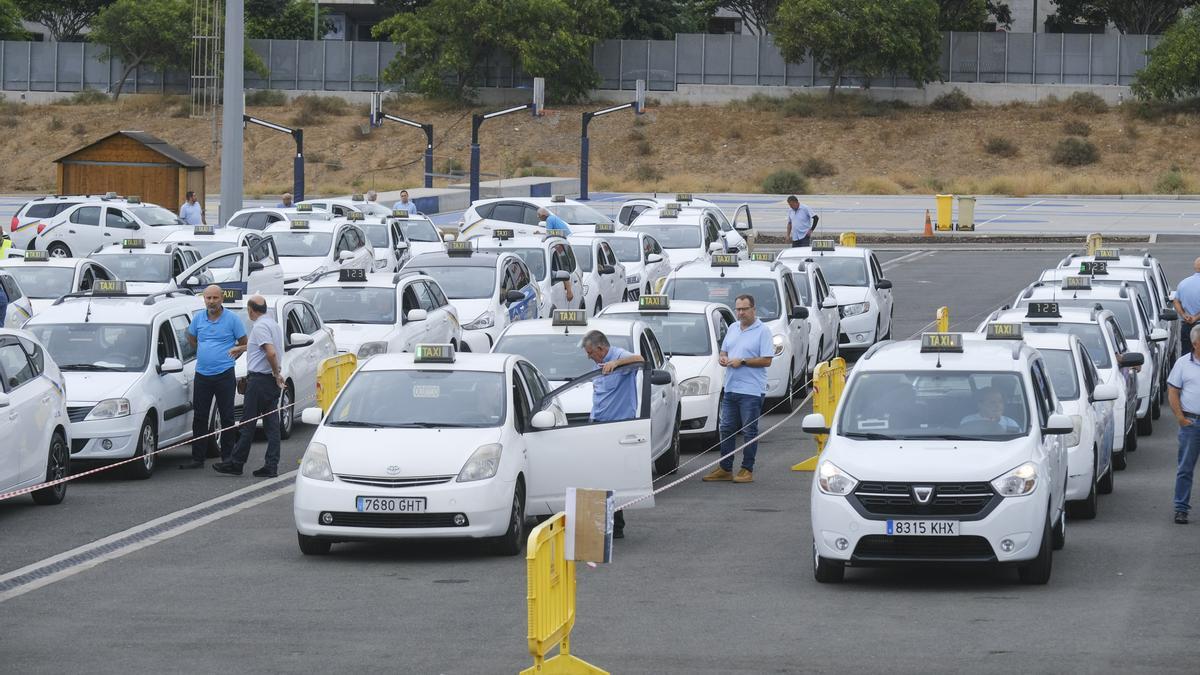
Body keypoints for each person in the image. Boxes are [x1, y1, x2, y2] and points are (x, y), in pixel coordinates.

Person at [704, 294, 774, 484]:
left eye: (744, 309)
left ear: (753, 310)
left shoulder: (763, 331)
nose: (740, 313)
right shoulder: (733, 328)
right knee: (726, 429)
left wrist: (742, 361)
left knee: (749, 430)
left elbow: (767, 360)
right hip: (731, 387)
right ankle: (725, 468)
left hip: (751, 390)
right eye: (738, 309)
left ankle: (746, 469)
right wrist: (723, 358)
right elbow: (725, 350)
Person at [582, 330, 644, 538]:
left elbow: (640, 359)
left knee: (611, 478)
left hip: (616, 428)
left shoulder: (618, 356)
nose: (589, 357)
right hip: (597, 423)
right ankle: (599, 523)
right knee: (595, 476)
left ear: (601, 348)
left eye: (591, 353)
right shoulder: (597, 363)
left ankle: (615, 526)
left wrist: (616, 364)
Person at [217, 295, 285, 478]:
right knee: (272, 426)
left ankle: (236, 463)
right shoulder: (272, 324)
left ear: (251, 310)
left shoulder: (260, 326)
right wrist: (241, 348)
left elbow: (270, 352)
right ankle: (271, 465)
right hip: (268, 382)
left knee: (247, 423)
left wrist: (276, 373)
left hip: (260, 381)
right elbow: (261, 346)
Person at [181, 285, 247, 470]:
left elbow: (244, 343)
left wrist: (231, 357)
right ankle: (197, 458)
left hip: (225, 374)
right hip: (202, 374)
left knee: (226, 416)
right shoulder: (198, 318)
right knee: (200, 416)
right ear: (204, 299)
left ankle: (227, 457)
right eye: (208, 298)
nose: (211, 301)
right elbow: (191, 337)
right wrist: (204, 350)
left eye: (214, 298)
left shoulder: (233, 319)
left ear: (221, 299)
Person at [1167, 324, 1200, 524]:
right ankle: (1181, 508)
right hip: (1191, 423)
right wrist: (1180, 417)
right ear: (1195, 344)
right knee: (1185, 468)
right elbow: (1173, 391)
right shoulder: (1182, 364)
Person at [1173, 257, 1200, 357]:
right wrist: (1195, 318)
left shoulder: (1183, 283)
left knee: (1187, 357)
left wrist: (1184, 315)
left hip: (1187, 326)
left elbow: (1176, 301)